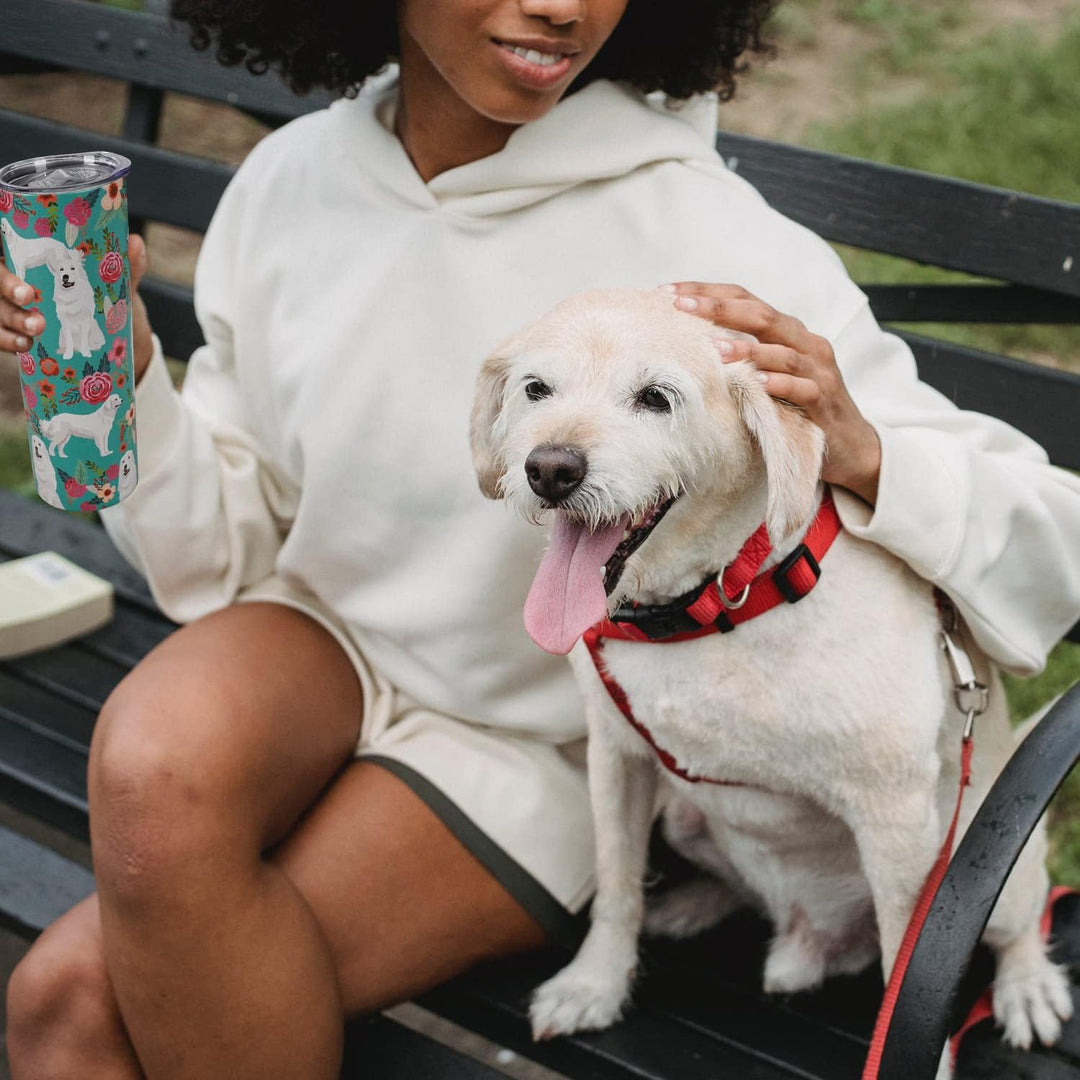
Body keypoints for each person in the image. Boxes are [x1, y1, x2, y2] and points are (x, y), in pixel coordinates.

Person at [5, 0, 1080, 1075]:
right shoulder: (289, 181)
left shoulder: (708, 232)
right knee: (144, 767)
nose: (563, 3)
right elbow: (228, 551)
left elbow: (1049, 531)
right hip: (321, 638)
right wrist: (129, 378)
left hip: (545, 739)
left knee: (69, 1001)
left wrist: (867, 451)